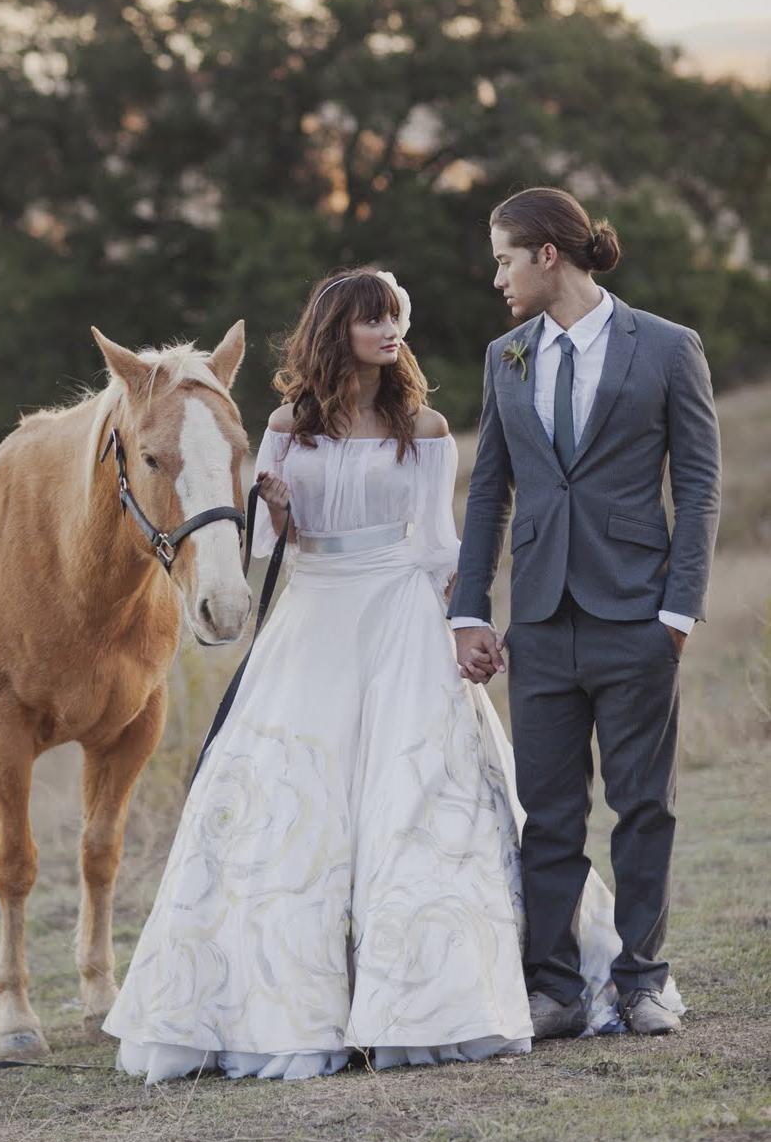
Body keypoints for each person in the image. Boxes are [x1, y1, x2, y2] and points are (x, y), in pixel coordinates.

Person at [103, 266, 628, 1084]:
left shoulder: (422, 427)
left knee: (414, 801)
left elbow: (437, 544)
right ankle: (284, 1006)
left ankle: (421, 999)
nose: (390, 332)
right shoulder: (283, 424)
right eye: (372, 320)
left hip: (397, 611)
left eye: (396, 319)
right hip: (314, 615)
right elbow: (269, 553)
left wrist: (465, 619)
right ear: (333, 330)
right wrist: (274, 512)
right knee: (289, 805)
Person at [448, 188, 719, 1040]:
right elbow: (489, 490)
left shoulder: (668, 348)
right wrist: (469, 611)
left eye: (502, 257)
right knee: (549, 815)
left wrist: (678, 612)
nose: (495, 275)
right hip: (540, 621)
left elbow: (700, 485)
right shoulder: (506, 357)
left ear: (546, 255)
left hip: (638, 617)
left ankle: (642, 981)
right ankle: (555, 990)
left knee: (643, 806)